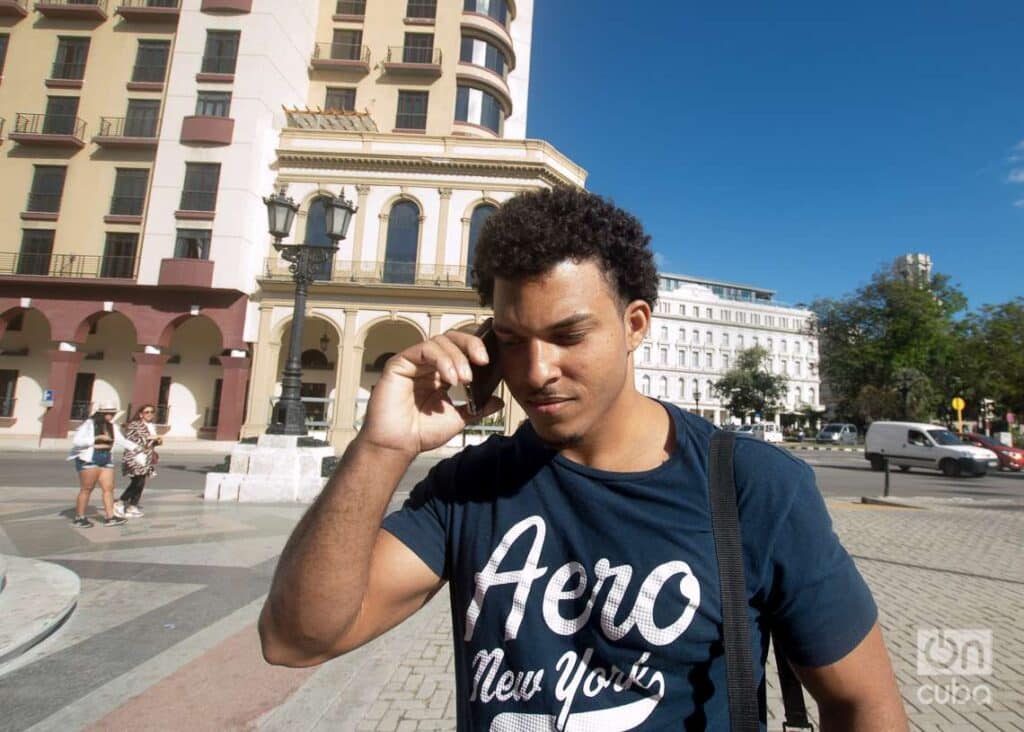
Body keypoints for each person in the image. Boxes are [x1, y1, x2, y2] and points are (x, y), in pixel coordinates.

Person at [259, 187, 908, 730]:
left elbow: (861, 701)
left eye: (569, 335)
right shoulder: (469, 489)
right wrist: (383, 446)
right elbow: (297, 639)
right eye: (512, 341)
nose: (537, 372)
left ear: (635, 325)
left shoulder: (753, 487)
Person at [68, 402, 141, 528]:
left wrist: (136, 448)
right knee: (87, 489)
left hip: (106, 458)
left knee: (108, 488)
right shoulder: (89, 424)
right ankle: (79, 517)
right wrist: (96, 438)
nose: (111, 416)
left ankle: (110, 516)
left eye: (113, 413)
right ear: (101, 413)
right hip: (89, 458)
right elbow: (77, 441)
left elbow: (120, 440)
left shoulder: (112, 426)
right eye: (109, 413)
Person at [115, 404, 162, 518]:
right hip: (134, 457)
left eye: (152, 412)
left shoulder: (151, 426)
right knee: (137, 481)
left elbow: (152, 442)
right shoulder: (134, 425)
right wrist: (149, 438)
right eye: (147, 412)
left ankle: (133, 506)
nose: (150, 414)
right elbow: (131, 439)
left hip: (146, 458)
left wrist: (157, 441)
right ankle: (120, 502)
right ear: (141, 414)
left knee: (141, 482)